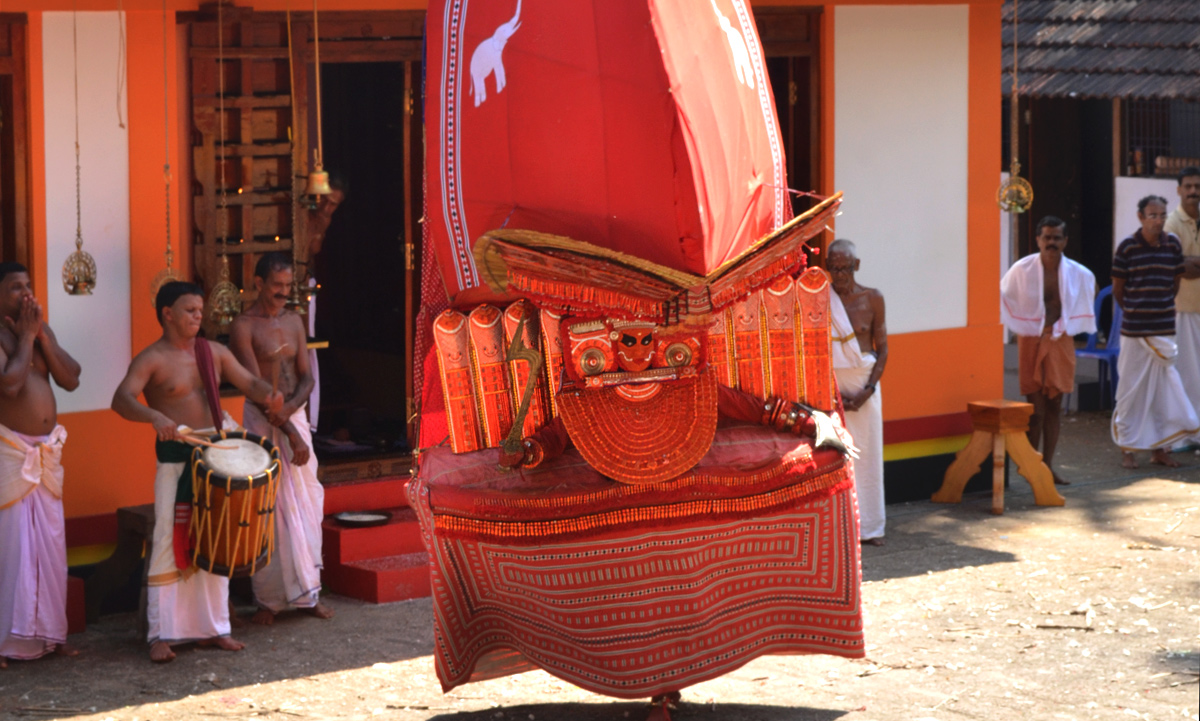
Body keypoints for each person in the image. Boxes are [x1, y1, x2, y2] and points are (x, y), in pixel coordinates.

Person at [111, 281, 283, 663]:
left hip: (216, 458)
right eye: (189, 310)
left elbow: (248, 382)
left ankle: (214, 628)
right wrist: (154, 415)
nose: (197, 317)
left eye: (199, 310)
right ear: (167, 314)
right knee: (167, 543)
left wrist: (268, 393)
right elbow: (120, 399)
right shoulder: (151, 358)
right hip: (177, 457)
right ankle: (161, 634)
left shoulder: (214, 352)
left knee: (214, 540)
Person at [230, 254, 332, 625]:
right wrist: (290, 433)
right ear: (258, 284)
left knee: (305, 504)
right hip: (262, 420)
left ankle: (309, 594)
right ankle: (268, 602)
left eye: (288, 287)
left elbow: (306, 376)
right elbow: (257, 388)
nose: (283, 294)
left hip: (292, 415)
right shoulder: (243, 326)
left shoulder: (293, 321)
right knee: (268, 507)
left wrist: (291, 413)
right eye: (277, 287)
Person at [0, 263, 81, 669]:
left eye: (28, 286)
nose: (26, 294)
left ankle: (52, 635)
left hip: (46, 456)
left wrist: (41, 336)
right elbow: (10, 384)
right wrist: (27, 336)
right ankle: (5, 642)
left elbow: (72, 378)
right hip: (12, 454)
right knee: (12, 548)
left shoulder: (40, 333)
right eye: (16, 288)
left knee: (50, 547)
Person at [1000, 217, 1096, 485]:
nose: (1051, 243)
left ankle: (1048, 465)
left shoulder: (1078, 273)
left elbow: (1092, 288)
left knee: (1055, 404)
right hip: (1031, 338)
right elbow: (1003, 294)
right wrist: (1024, 318)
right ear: (1038, 240)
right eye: (1047, 238)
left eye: (1056, 238)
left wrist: (1072, 317)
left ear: (1065, 241)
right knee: (1036, 408)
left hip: (1061, 338)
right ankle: (1031, 466)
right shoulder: (1022, 269)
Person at [1111, 196, 1199, 468]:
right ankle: (1127, 448)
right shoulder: (1127, 248)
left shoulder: (1172, 244)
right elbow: (1118, 289)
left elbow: (1174, 282)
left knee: (1162, 391)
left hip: (1164, 328)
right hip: (1135, 332)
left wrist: (1159, 309)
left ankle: (1160, 450)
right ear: (1140, 217)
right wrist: (1137, 313)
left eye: (1161, 215)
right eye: (1152, 215)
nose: (1158, 220)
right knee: (1130, 390)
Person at [826, 240, 888, 546]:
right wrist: (832, 394)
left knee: (869, 455)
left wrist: (868, 390)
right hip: (831, 385)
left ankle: (872, 527)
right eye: (834, 268)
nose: (840, 275)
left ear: (857, 265)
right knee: (835, 456)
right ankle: (843, 527)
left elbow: (883, 349)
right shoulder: (820, 301)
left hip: (865, 385)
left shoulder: (873, 298)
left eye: (846, 268)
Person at [302, 178, 346, 434]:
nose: (328, 208)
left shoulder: (324, 219)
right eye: (326, 201)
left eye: (335, 205)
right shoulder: (304, 215)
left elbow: (315, 248)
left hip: (308, 281)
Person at [1164, 167, 1200, 427]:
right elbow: (1177, 265)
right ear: (1179, 190)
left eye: (1197, 187)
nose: (1193, 191)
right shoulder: (1172, 223)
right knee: (1188, 372)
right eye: (1188, 186)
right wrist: (1185, 264)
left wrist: (1190, 263)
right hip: (1184, 309)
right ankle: (1187, 431)